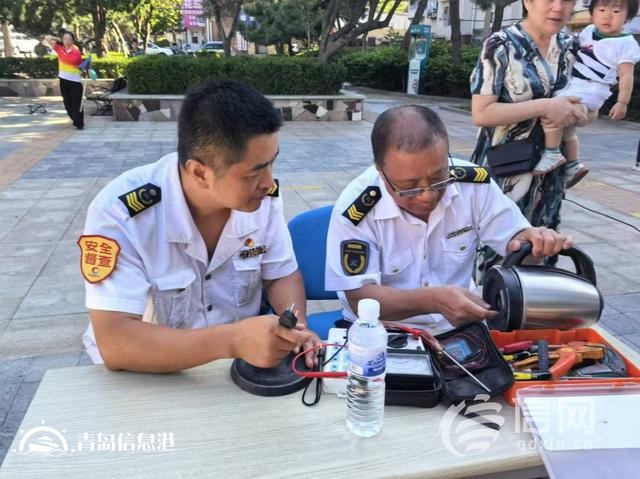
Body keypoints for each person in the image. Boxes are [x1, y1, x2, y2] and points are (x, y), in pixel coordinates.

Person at [79, 79, 319, 372]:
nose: (269, 182)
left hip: (241, 367)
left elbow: (282, 274)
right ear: (200, 173)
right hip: (144, 373)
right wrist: (232, 342)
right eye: (253, 173)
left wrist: (295, 330)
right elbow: (116, 342)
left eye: (272, 163)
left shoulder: (262, 198)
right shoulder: (120, 214)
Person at [324, 105, 573, 334]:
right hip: (381, 331)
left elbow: (515, 242)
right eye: (408, 187)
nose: (427, 196)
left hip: (460, 325)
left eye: (438, 177)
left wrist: (535, 243)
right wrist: (432, 300)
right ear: (380, 170)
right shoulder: (356, 208)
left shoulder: (473, 186)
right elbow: (360, 298)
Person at [470, 0, 588, 280]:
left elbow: (589, 109)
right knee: (497, 254)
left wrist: (581, 113)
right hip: (505, 173)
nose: (558, 7)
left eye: (568, 0)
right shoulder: (501, 45)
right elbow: (481, 113)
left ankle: (534, 317)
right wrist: (546, 107)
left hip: (550, 173)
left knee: (544, 250)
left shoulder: (573, 48)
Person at [535, 0, 640, 187]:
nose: (607, 15)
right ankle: (573, 164)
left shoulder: (626, 43)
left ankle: (551, 152)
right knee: (567, 127)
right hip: (573, 84)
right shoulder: (588, 31)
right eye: (601, 10)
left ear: (628, 18)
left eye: (616, 11)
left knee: (555, 112)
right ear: (592, 13)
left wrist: (622, 102)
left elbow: (626, 75)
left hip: (594, 89)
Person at [44, 31, 85, 130]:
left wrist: (61, 50)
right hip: (63, 80)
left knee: (76, 104)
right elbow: (47, 38)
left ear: (73, 40)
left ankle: (79, 123)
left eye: (70, 39)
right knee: (67, 104)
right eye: (65, 39)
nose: (67, 41)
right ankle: (75, 119)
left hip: (75, 81)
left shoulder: (76, 50)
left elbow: (73, 61)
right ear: (62, 39)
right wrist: (57, 40)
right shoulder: (59, 48)